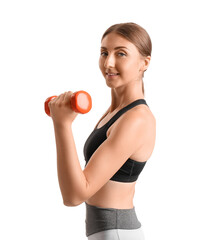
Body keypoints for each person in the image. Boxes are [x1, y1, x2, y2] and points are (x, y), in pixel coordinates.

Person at [48, 22, 156, 240]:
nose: (109, 62)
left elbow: (74, 195)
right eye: (104, 53)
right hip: (107, 232)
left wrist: (62, 125)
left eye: (121, 54)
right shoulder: (116, 112)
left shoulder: (137, 119)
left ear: (144, 63)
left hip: (116, 233)